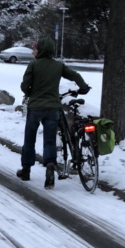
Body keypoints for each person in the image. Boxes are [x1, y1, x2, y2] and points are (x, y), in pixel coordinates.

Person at [18, 37, 91, 189]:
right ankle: (50, 166)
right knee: (50, 140)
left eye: (35, 49)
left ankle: (26, 170)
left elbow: (25, 87)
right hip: (53, 109)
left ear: (42, 50)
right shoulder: (58, 66)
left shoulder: (33, 65)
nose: (33, 51)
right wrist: (83, 87)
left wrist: (32, 92)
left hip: (35, 107)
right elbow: (75, 75)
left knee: (29, 138)